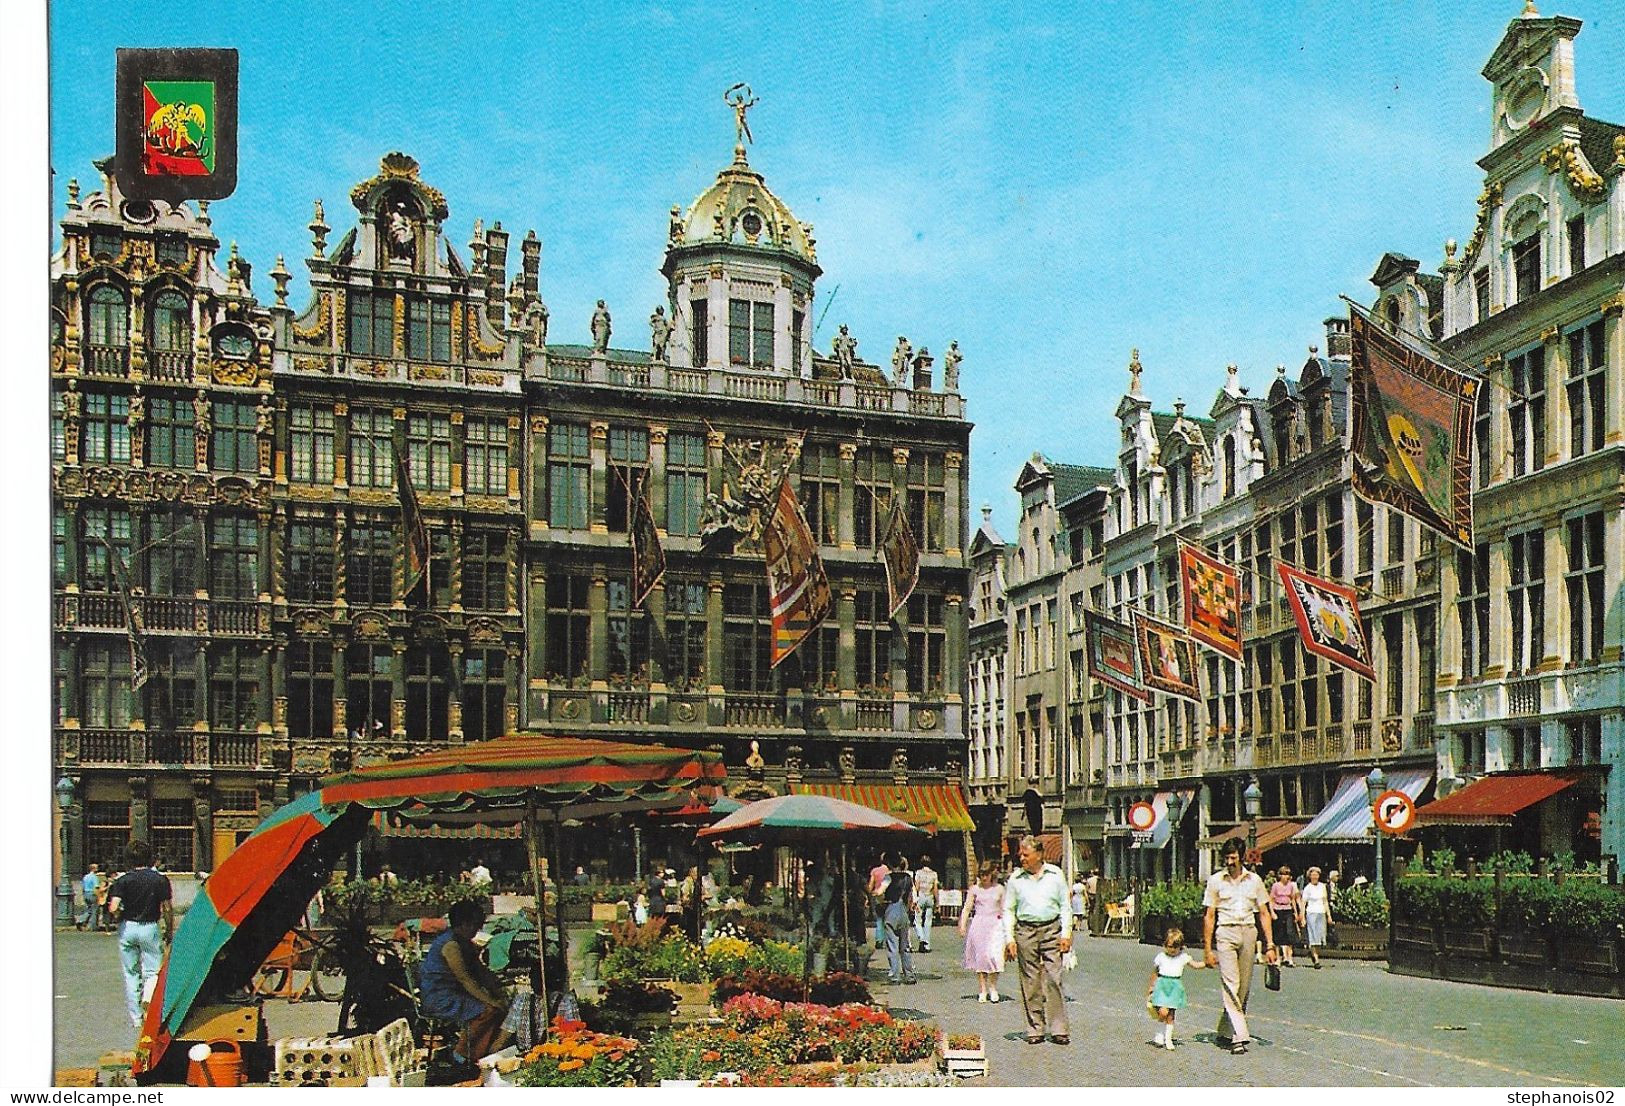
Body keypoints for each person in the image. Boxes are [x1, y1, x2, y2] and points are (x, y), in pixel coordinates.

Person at [1203, 838, 1277, 1056]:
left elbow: (1264, 913)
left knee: (1243, 986)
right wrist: (1208, 949)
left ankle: (1225, 1029)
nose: (1229, 861)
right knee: (1231, 983)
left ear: (1242, 857)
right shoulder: (1216, 881)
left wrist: (1270, 945)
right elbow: (1209, 915)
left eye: (1233, 857)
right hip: (1225, 932)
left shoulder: (1254, 881)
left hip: (1248, 931)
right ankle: (1239, 1036)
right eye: (1226, 857)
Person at [418, 900, 511, 1065]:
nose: (478, 930)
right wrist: (491, 1001)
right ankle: (460, 1055)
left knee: (500, 1009)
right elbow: (465, 979)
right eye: (475, 925)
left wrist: (499, 992)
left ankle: (480, 1054)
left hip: (454, 994)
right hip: (439, 998)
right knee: (488, 1010)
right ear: (464, 924)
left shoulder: (463, 942)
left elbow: (480, 972)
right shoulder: (450, 945)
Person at [1003, 835, 1072, 1045]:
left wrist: (1066, 934)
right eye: (1021, 854)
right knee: (1030, 981)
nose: (1022, 857)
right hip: (1025, 930)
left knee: (1054, 977)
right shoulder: (1015, 879)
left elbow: (1065, 906)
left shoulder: (1055, 874)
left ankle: (1059, 1028)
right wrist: (1009, 939)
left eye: (1026, 854)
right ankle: (1035, 1028)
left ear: (1039, 854)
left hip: (1051, 928)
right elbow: (1008, 909)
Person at [106, 841, 173, 1030]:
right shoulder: (160, 879)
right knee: (153, 971)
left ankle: (136, 1018)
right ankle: (149, 999)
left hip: (128, 927)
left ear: (128, 859)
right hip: (150, 926)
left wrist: (118, 915)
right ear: (150, 857)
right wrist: (169, 929)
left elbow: (113, 907)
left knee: (131, 973)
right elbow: (167, 908)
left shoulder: (123, 880)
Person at [1146, 926, 1206, 1050]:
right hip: (1163, 985)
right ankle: (1159, 1033)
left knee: (1171, 1015)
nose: (1172, 950)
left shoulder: (1182, 957)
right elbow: (1155, 972)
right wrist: (1152, 986)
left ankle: (1168, 1039)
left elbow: (1195, 965)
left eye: (1176, 947)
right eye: (1170, 946)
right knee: (1163, 1012)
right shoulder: (1161, 957)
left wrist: (1207, 963)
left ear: (1181, 947)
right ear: (1165, 945)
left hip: (1175, 986)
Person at [959, 861, 1006, 1003]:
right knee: (981, 957)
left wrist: (1008, 927)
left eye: (986, 874)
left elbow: (1005, 909)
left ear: (992, 874)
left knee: (995, 956)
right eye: (982, 875)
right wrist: (963, 924)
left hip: (995, 925)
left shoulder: (1000, 889)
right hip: (979, 924)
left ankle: (993, 986)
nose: (984, 877)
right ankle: (983, 989)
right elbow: (967, 908)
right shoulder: (974, 889)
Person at [878, 854, 918, 985]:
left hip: (891, 909)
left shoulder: (888, 877)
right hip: (904, 911)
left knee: (892, 945)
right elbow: (911, 895)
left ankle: (895, 975)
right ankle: (909, 974)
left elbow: (880, 892)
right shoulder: (908, 878)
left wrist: (874, 894)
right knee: (905, 945)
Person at [1270, 866, 1303, 967]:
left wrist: (1296, 913)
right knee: (1278, 934)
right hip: (1278, 909)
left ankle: (1289, 958)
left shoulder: (1291, 886)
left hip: (1288, 909)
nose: (1286, 877)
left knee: (1289, 932)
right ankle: (1278, 958)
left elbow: (1292, 899)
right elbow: (1271, 899)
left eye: (1287, 874)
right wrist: (1272, 913)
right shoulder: (1275, 886)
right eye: (1284, 874)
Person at [1301, 866, 1333, 968]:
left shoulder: (1322, 887)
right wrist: (1302, 916)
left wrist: (1329, 916)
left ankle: (1315, 953)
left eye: (1316, 875)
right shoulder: (1307, 888)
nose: (1314, 877)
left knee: (1320, 936)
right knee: (1313, 935)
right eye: (1312, 875)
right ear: (1309, 876)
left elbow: (1325, 901)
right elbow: (1303, 903)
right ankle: (1316, 960)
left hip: (1321, 912)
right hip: (1311, 912)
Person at [912, 855, 939, 953]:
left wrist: (914, 899)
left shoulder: (919, 873)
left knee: (917, 921)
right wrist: (937, 901)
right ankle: (927, 944)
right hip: (930, 897)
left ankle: (921, 937)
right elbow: (935, 888)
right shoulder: (934, 874)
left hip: (921, 897)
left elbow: (917, 886)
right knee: (928, 922)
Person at [867, 853, 892, 950]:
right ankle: (887, 939)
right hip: (888, 897)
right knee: (887, 919)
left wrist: (869, 896)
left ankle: (879, 939)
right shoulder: (890, 872)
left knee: (879, 919)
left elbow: (870, 885)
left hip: (877, 896)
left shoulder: (875, 871)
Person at [77, 863, 102, 932]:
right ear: (93, 869)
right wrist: (99, 897)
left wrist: (83, 895)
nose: (98, 869)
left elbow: (83, 886)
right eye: (96, 868)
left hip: (86, 893)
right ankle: (93, 927)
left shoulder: (85, 877)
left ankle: (80, 920)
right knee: (94, 911)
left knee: (88, 910)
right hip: (92, 894)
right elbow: (96, 887)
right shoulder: (94, 877)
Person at [1084, 869, 1103, 937]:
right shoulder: (1100, 879)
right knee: (1098, 910)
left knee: (1091, 911)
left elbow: (1086, 889)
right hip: (1097, 895)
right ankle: (1097, 925)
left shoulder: (1089, 880)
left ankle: (1090, 925)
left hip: (1091, 895)